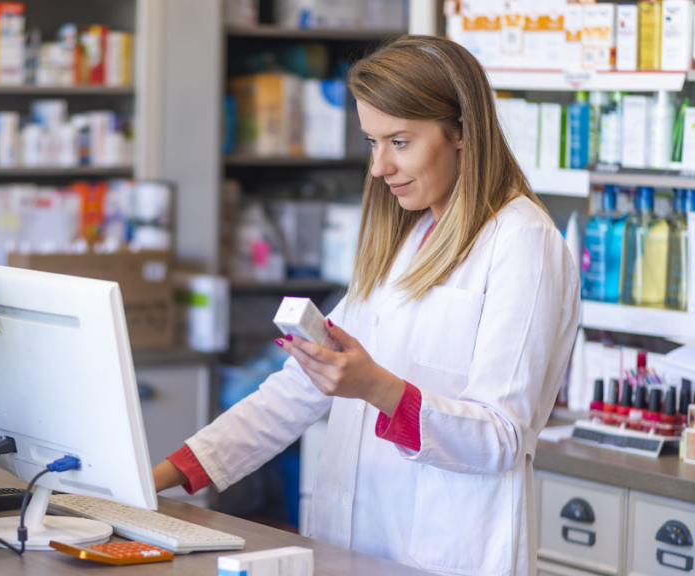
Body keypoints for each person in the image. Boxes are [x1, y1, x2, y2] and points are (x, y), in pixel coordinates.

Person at [152, 35, 580, 576]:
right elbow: (296, 390)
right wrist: (163, 476)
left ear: (464, 133)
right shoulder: (408, 235)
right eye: (372, 142)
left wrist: (375, 387)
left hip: (448, 555)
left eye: (399, 141)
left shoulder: (523, 243)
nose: (379, 167)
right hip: (352, 548)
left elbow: (500, 437)